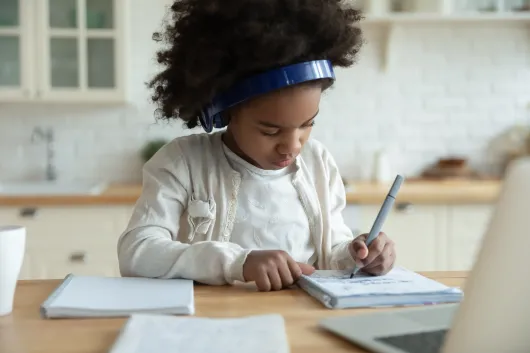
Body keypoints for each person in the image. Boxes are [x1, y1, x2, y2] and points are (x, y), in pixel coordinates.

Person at [117, 0, 396, 292]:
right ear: (225, 112)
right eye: (271, 130)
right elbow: (137, 252)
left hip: (305, 322)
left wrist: (358, 254)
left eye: (306, 124)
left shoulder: (319, 163)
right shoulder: (182, 162)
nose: (292, 146)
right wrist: (239, 262)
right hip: (213, 323)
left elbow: (332, 251)